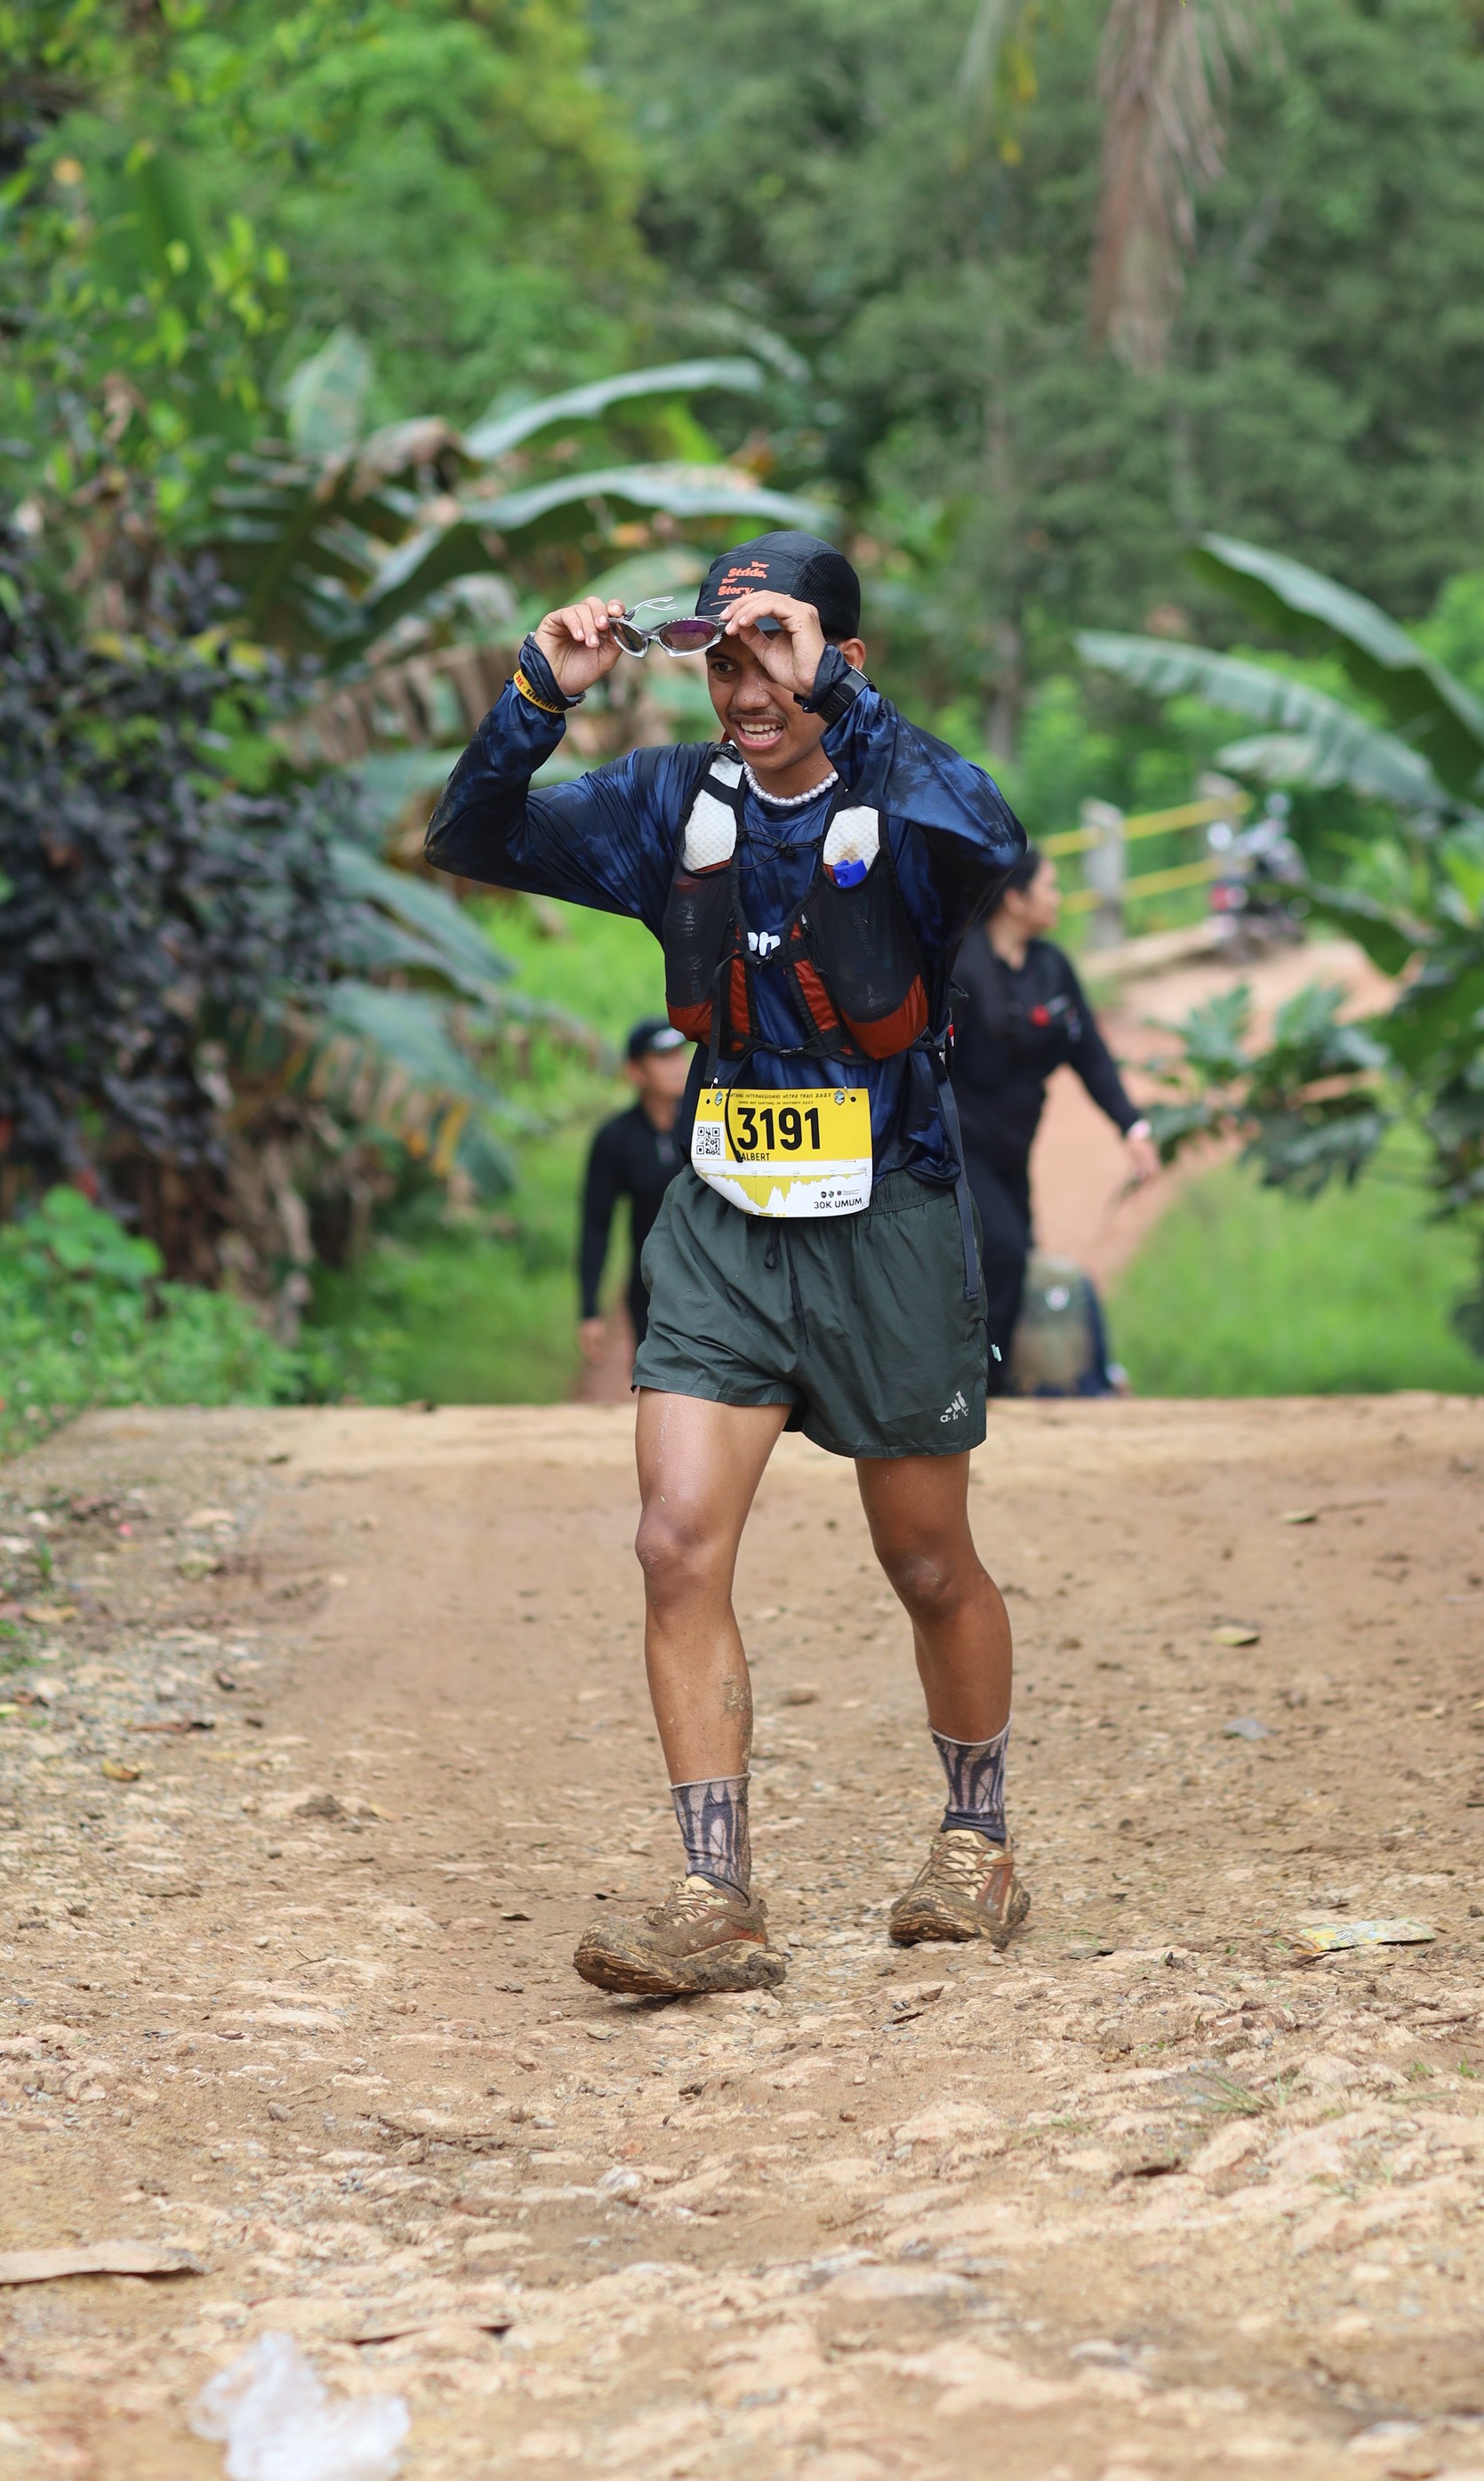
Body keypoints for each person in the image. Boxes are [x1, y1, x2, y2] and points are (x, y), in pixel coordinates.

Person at [425, 530, 1030, 1998]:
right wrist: (539, 692)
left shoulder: (907, 800)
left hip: (889, 1206)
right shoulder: (666, 804)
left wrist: (848, 704)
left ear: (842, 661)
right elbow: (473, 837)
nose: (747, 684)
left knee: (926, 1559)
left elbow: (995, 838)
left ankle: (978, 1845)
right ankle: (715, 1895)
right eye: (723, 656)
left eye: (776, 649)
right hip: (724, 1214)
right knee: (673, 1543)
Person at [951, 846, 1159, 1369]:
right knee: (1000, 1250)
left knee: (1017, 1253)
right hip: (961, 1149)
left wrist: (1131, 1126)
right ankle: (981, 1385)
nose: (1059, 898)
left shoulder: (1050, 967)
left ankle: (996, 1384)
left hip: (1014, 1148)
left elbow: (1091, 1054)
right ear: (1016, 899)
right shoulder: (961, 967)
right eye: (1050, 887)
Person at [578, 1018, 693, 1366]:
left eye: (679, 1055)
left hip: (715, 1281)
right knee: (656, 1378)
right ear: (635, 1071)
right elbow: (596, 1225)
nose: (677, 1066)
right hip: (649, 1288)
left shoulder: (711, 1126)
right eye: (663, 1057)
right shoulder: (615, 1139)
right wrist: (590, 1310)